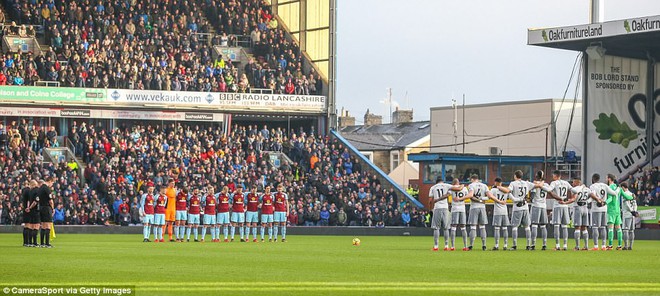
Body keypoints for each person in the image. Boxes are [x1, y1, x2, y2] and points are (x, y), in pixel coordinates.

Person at [499, 170, 535, 250]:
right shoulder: (527, 183)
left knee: (515, 227)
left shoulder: (513, 183)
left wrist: (500, 187)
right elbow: (536, 186)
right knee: (527, 227)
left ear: (515, 176)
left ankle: (514, 245)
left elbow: (508, 191)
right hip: (525, 207)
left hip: (517, 207)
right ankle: (528, 245)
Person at [428, 176, 462, 251]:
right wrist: (462, 185)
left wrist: (430, 209)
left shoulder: (433, 187)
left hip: (437, 208)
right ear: (442, 181)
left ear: (436, 182)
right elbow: (458, 189)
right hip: (445, 208)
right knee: (446, 228)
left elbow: (430, 201)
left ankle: (436, 246)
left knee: (436, 228)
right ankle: (446, 246)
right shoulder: (447, 185)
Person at [541, 170, 573, 251]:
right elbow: (573, 190)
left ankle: (557, 245)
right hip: (565, 205)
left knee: (556, 225)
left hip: (557, 205)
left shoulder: (554, 183)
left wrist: (541, 186)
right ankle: (565, 245)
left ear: (555, 176)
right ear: (560, 176)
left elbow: (549, 190)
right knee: (565, 226)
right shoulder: (566, 183)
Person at [465, 174, 497, 251]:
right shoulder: (484, 185)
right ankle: (484, 245)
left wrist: (478, 199)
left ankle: (471, 245)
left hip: (474, 207)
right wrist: (482, 198)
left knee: (473, 227)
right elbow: (490, 196)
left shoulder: (471, 185)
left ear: (472, 179)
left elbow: (471, 196)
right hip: (482, 207)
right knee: (482, 227)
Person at [605, 174, 634, 250]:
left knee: (610, 228)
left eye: (606, 178)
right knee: (618, 228)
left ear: (609, 179)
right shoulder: (619, 188)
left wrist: (604, 202)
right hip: (618, 210)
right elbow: (626, 196)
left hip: (611, 209)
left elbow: (610, 198)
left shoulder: (610, 187)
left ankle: (610, 245)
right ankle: (619, 245)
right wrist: (632, 197)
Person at [588, 173, 616, 250]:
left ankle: (596, 246)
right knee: (603, 227)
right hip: (604, 208)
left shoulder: (593, 186)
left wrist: (598, 200)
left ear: (593, 179)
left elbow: (593, 195)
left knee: (595, 227)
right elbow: (614, 193)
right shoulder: (605, 185)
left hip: (596, 209)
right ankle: (603, 246)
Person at [567, 177, 596, 250]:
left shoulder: (575, 189)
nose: (572, 184)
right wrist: (588, 201)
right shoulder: (586, 189)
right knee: (584, 228)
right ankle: (586, 246)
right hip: (585, 208)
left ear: (577, 182)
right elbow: (593, 195)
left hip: (578, 207)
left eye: (573, 182)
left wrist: (565, 202)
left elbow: (573, 198)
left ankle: (577, 246)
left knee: (577, 228)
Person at [530, 171, 550, 250]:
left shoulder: (535, 184)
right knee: (543, 226)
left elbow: (532, 195)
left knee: (534, 225)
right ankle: (544, 244)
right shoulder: (546, 184)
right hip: (543, 206)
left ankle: (533, 244)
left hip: (536, 205)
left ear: (536, 175)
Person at [489, 178, 510, 251]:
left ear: (496, 182)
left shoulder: (493, 190)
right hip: (505, 212)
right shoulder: (505, 190)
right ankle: (505, 245)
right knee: (505, 229)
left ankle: (496, 245)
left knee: (497, 229)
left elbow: (489, 196)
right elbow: (511, 196)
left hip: (497, 212)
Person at [449, 179, 470, 251]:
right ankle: (465, 246)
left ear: (453, 183)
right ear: (458, 182)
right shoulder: (464, 188)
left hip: (455, 209)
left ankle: (452, 246)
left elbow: (447, 194)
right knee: (463, 227)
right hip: (462, 209)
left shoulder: (452, 188)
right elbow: (467, 196)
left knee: (453, 227)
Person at [620, 182, 638, 250]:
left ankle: (626, 246)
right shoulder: (632, 194)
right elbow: (635, 204)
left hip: (627, 214)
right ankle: (631, 246)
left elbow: (627, 204)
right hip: (633, 214)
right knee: (631, 231)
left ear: (623, 187)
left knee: (625, 230)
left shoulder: (625, 195)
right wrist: (634, 211)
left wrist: (631, 211)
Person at [38, 177, 55, 248]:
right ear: (50, 181)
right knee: (48, 225)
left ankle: (42, 243)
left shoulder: (40, 188)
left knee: (43, 225)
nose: (52, 184)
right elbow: (50, 200)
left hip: (41, 207)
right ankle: (47, 243)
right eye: (52, 183)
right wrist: (53, 208)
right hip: (46, 208)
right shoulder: (47, 189)